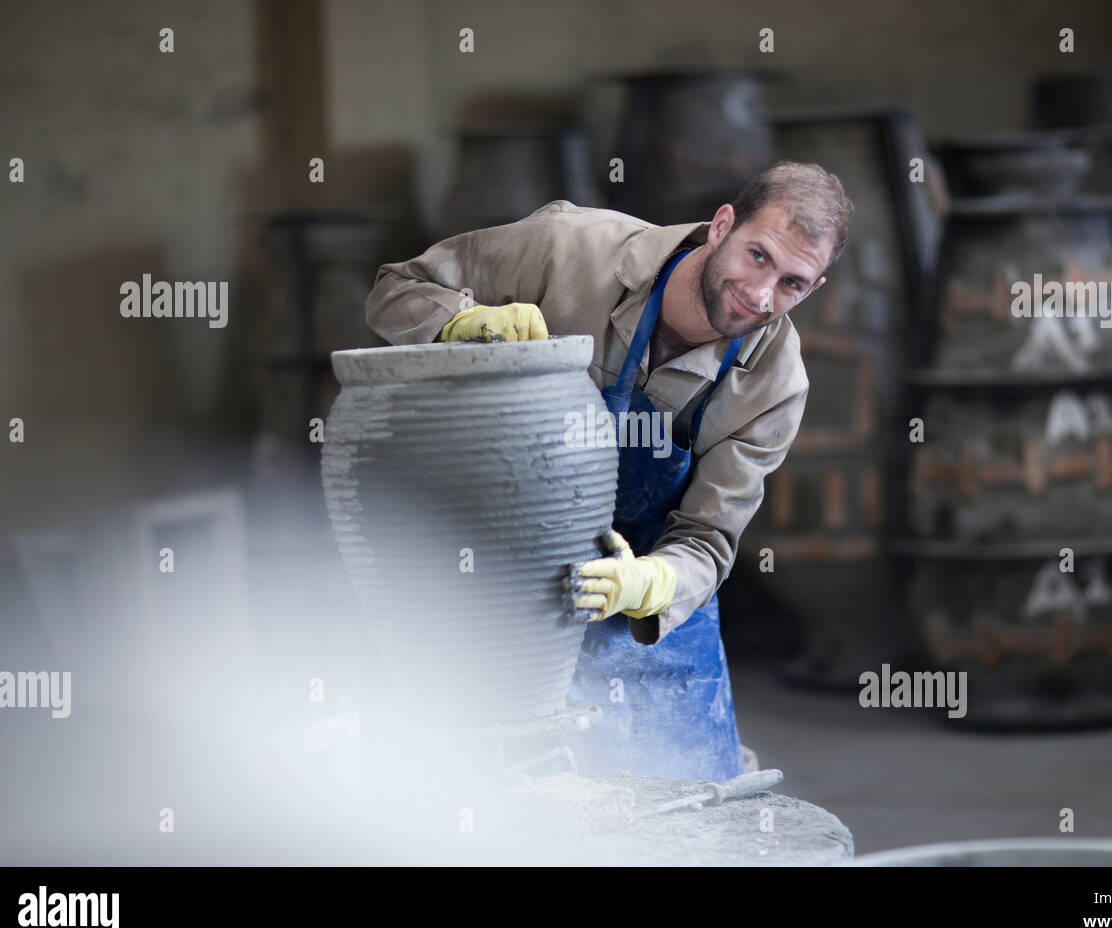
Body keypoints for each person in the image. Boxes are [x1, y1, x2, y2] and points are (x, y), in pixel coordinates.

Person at [365, 160, 852, 781]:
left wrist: (651, 584)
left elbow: (709, 539)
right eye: (757, 256)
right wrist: (460, 324)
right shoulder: (569, 248)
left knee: (690, 797)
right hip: (498, 567)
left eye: (792, 283)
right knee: (475, 792)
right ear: (722, 225)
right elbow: (393, 290)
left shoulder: (776, 385)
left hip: (631, 593)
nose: (761, 295)